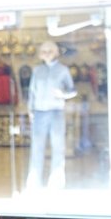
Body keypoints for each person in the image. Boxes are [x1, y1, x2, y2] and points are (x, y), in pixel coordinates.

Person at [25, 40, 76, 190]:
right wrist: (30, 110)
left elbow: (73, 91)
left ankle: (57, 182)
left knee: (58, 147)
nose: (46, 54)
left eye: (50, 51)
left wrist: (63, 94)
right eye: (44, 51)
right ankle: (34, 182)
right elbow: (32, 92)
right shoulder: (37, 71)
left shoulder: (63, 70)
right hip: (39, 113)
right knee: (37, 147)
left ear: (56, 53)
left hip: (56, 112)